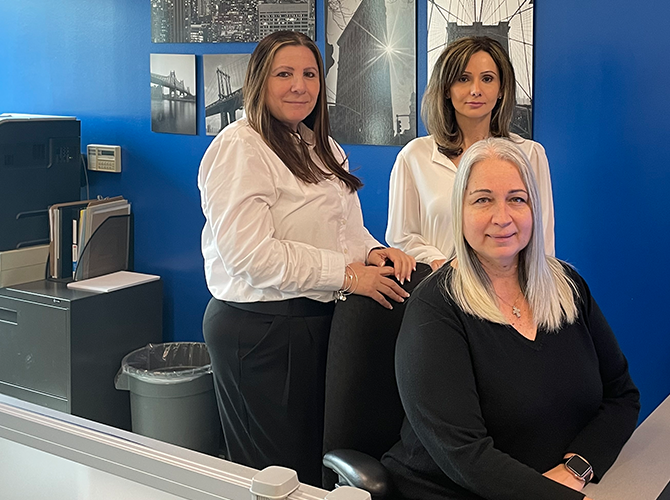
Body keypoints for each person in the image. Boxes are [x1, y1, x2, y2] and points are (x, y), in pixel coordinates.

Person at [197, 30, 414, 486]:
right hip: (261, 332)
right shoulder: (241, 147)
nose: (300, 86)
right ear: (259, 80)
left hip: (316, 321)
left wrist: (374, 252)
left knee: (315, 466)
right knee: (277, 475)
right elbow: (249, 255)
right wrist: (349, 276)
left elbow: (344, 231)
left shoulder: (322, 147)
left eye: (310, 74)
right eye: (285, 74)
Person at [381, 138, 639, 500]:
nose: (502, 218)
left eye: (516, 199)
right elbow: (465, 456)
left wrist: (577, 467)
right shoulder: (435, 307)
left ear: (534, 208)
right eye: (483, 200)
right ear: (460, 211)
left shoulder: (567, 288)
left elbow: (622, 395)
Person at [387, 36, 555, 271]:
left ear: (501, 89)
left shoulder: (530, 154)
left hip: (510, 286)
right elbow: (401, 237)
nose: (476, 90)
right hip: (441, 286)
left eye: (487, 79)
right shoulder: (414, 156)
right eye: (463, 79)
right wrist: (442, 264)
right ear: (446, 89)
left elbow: (543, 242)